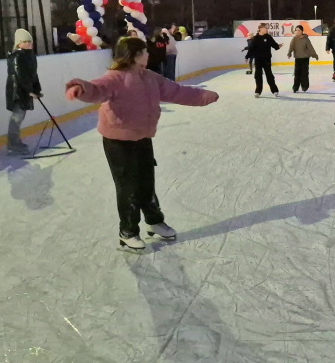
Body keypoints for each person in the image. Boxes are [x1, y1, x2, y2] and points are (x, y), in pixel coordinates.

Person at [65, 37, 219, 250]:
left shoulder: (150, 77)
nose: (149, 55)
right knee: (128, 187)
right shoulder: (114, 78)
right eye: (145, 51)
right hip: (118, 140)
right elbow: (96, 89)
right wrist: (80, 88)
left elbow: (176, 91)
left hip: (142, 137)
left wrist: (203, 95)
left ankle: (154, 222)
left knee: (146, 182)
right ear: (136, 55)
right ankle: (127, 231)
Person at [6, 29, 43, 156]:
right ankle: (13, 144)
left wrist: (37, 89)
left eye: (30, 41)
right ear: (18, 43)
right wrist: (29, 91)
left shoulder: (30, 56)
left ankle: (15, 141)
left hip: (24, 91)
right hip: (17, 91)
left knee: (19, 117)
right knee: (16, 117)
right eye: (25, 42)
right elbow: (20, 76)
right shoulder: (16, 56)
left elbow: (33, 75)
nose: (28, 44)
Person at [246, 23, 283, 97]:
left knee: (269, 75)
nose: (267, 29)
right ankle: (258, 91)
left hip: (267, 60)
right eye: (265, 28)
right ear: (261, 29)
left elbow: (274, 45)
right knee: (258, 75)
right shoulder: (255, 38)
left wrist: (278, 46)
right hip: (258, 60)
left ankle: (274, 90)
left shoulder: (268, 37)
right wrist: (247, 56)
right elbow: (251, 49)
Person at [288, 25, 319, 92]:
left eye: (299, 30)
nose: (297, 31)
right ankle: (295, 87)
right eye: (296, 30)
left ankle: (304, 86)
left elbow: (310, 48)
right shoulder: (294, 39)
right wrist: (289, 53)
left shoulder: (306, 39)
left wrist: (314, 55)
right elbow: (291, 47)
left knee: (304, 73)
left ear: (302, 31)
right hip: (298, 58)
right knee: (297, 73)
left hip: (305, 58)